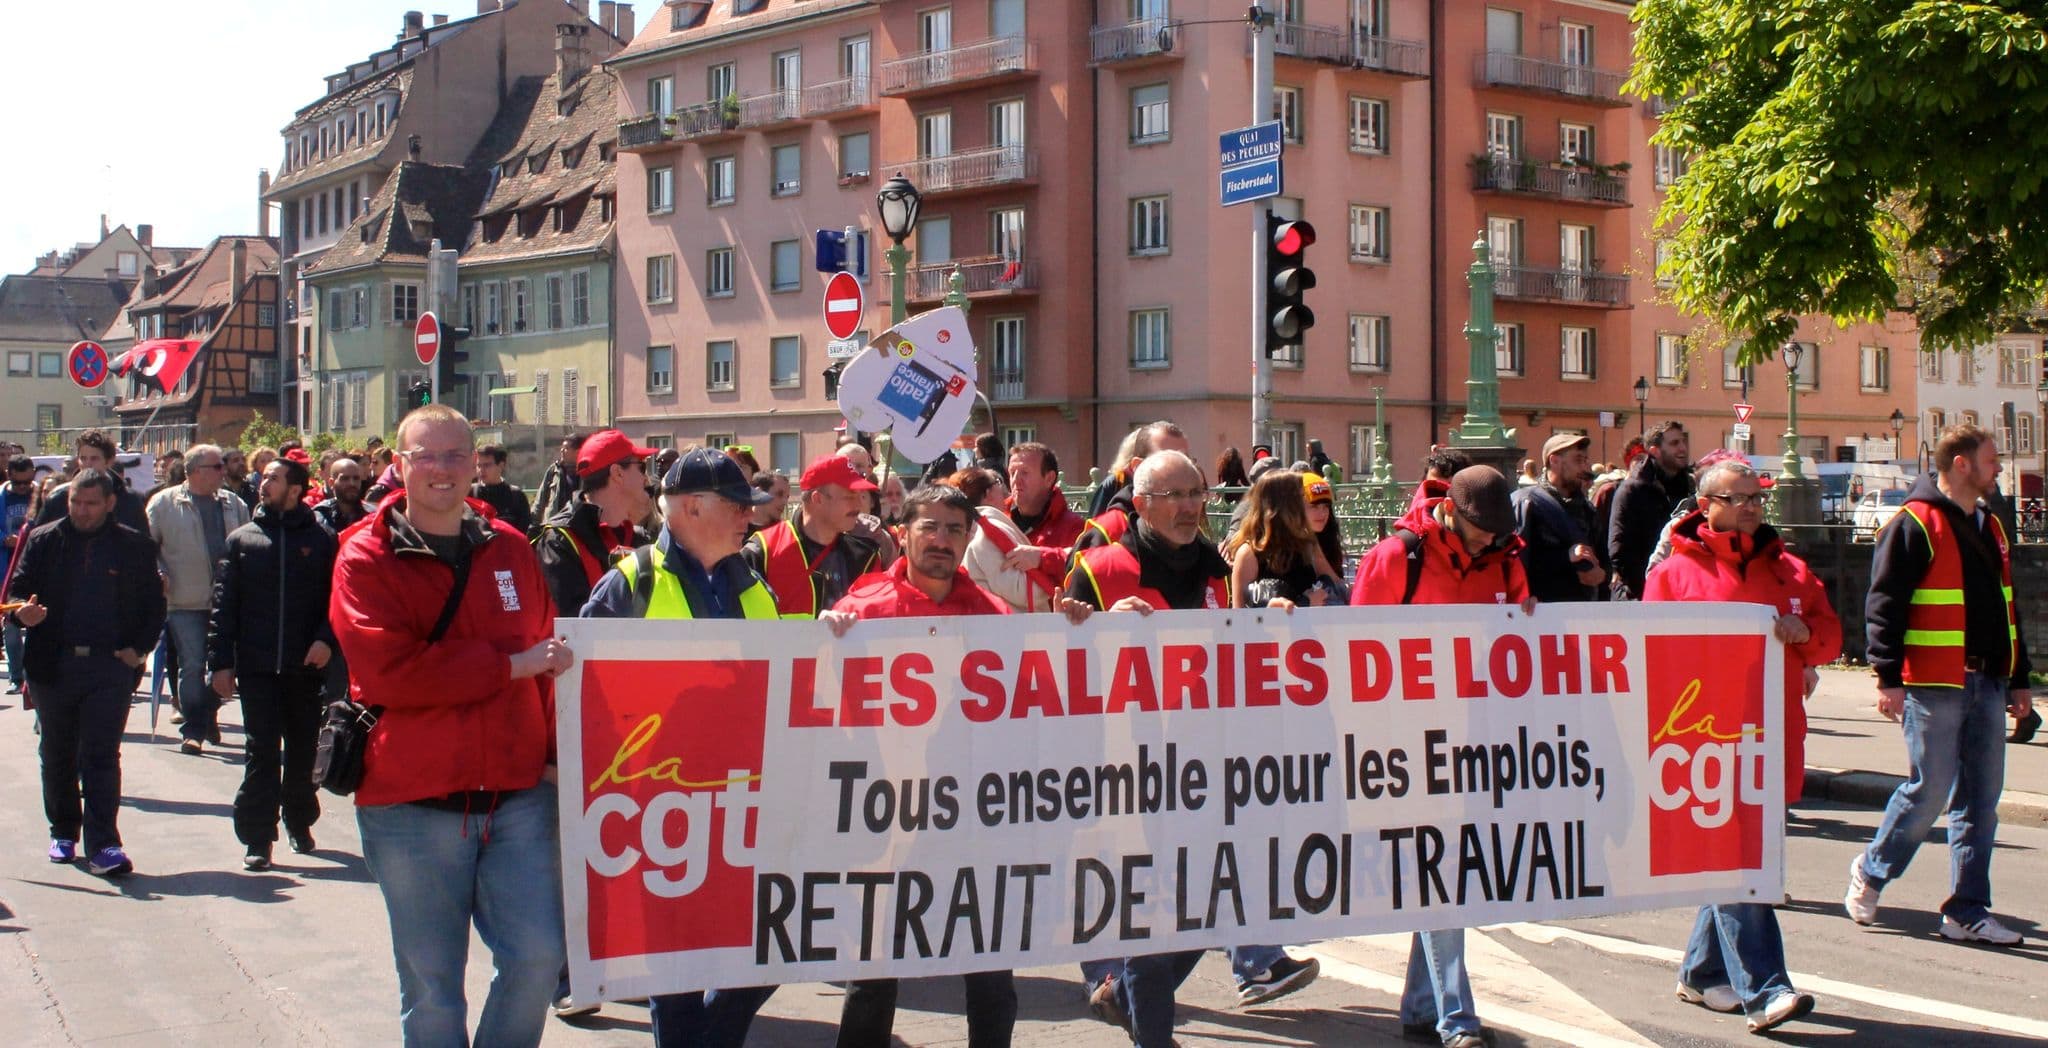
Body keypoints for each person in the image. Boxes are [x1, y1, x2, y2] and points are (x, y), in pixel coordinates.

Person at [330, 403, 575, 1048]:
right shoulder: (364, 556)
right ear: (400, 466)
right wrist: (508, 667)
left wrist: (553, 752)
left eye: (454, 455)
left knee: (537, 959)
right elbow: (391, 673)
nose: (442, 470)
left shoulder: (512, 549)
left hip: (517, 793)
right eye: (426, 456)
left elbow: (548, 656)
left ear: (476, 463)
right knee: (434, 989)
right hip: (412, 802)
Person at [581, 447, 830, 1047]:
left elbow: (781, 678)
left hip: (745, 803)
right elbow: (587, 696)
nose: (751, 516)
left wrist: (832, 636)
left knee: (767, 950)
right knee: (676, 971)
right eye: (737, 505)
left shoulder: (753, 584)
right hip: (662, 808)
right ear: (691, 507)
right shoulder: (631, 583)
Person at [829, 482, 1056, 1048]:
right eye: (929, 527)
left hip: (973, 815)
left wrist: (1074, 631)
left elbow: (1040, 700)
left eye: (955, 530)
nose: (942, 540)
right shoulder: (861, 610)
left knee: (989, 963)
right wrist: (825, 642)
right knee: (876, 963)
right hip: (887, 812)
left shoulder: (996, 616)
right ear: (903, 532)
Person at [1647, 459, 1836, 1034]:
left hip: (1772, 737)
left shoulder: (1790, 570)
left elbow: (1830, 635)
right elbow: (1650, 654)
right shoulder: (1676, 576)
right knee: (1741, 864)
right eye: (1741, 497)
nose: (1754, 505)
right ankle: (1766, 989)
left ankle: (1701, 974)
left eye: (1758, 496)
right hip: (1706, 746)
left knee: (1739, 862)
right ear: (1708, 507)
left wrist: (1807, 637)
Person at [1353, 466, 1530, 1048]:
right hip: (1409, 742)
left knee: (1443, 875)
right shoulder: (1395, 557)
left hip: (1477, 739)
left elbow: (1521, 632)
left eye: (1497, 533)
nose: (1490, 541)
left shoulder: (1505, 557)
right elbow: (1356, 649)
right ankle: (1456, 1017)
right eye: (1482, 531)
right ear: (1450, 512)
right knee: (1443, 873)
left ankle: (1422, 1007)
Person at [1847, 423, 2032, 946]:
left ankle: (1966, 909)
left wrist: (2018, 679)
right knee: (1928, 790)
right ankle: (1872, 869)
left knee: (1980, 801)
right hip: (1932, 680)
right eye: (1992, 459)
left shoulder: (1991, 526)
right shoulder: (1914, 522)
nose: (1999, 467)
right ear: (1962, 465)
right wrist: (1887, 677)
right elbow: (1883, 605)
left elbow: (2007, 608)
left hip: (1988, 679)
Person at [6, 469, 166, 878]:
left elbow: (154, 605)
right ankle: (63, 830)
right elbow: (15, 592)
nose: (82, 510)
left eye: (91, 503)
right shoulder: (44, 540)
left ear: (110, 503)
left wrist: (139, 649)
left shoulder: (133, 546)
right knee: (57, 753)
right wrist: (24, 613)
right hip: (51, 664)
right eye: (76, 502)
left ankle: (104, 844)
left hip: (108, 665)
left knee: (100, 754)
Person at [208, 456, 337, 871]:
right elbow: (223, 606)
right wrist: (221, 662)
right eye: (264, 478)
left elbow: (336, 600)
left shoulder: (321, 540)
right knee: (260, 752)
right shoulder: (243, 539)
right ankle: (258, 838)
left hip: (305, 667)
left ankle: (300, 821)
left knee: (301, 753)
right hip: (258, 667)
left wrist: (325, 639)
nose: (265, 484)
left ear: (296, 488)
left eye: (274, 479)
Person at [147, 443, 251, 755]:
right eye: (216, 466)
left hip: (227, 601)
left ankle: (206, 716)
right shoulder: (164, 503)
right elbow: (146, 547)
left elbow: (247, 543)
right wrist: (158, 570)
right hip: (185, 599)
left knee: (226, 664)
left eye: (223, 465)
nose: (224, 471)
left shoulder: (234, 504)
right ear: (194, 471)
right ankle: (194, 726)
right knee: (192, 664)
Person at [534, 430, 655, 620]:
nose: (646, 478)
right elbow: (574, 626)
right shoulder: (558, 540)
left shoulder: (638, 536)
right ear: (617, 474)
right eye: (641, 467)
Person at [744, 454, 881, 617]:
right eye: (850, 496)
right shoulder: (763, 550)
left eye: (860, 496)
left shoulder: (866, 558)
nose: (858, 504)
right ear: (818, 499)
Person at [1513, 433, 1609, 603]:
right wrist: (1566, 558)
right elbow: (1516, 563)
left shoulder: (1587, 509)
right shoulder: (1527, 503)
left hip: (1583, 617)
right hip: (1540, 616)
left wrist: (1601, 574)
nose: (1585, 467)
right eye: (1578, 460)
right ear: (1554, 461)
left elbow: (1604, 559)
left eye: (1586, 460)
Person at [1224, 470, 1340, 609]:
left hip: (1312, 629)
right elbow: (1240, 619)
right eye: (1301, 499)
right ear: (1283, 507)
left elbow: (1338, 585)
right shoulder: (1249, 554)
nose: (1305, 505)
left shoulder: (1308, 544)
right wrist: (1304, 604)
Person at [1607, 421, 1693, 600]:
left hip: (1682, 594)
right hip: (1641, 596)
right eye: (1674, 443)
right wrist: (1649, 589)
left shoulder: (1690, 488)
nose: (1683, 448)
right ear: (1654, 451)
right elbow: (1618, 549)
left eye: (1683, 441)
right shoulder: (1632, 490)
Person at [952, 466, 1047, 613]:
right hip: (1016, 630)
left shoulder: (977, 529)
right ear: (988, 493)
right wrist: (1057, 571)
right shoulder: (988, 535)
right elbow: (1021, 590)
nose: (1003, 488)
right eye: (997, 482)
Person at [34, 429, 149, 533]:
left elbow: (142, 545)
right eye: (83, 458)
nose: (87, 464)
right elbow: (39, 540)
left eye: (94, 459)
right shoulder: (57, 497)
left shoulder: (130, 500)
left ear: (109, 461)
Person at [1087, 421, 1190, 519]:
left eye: (1185, 460)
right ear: (1137, 465)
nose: (1178, 468)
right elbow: (1096, 528)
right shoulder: (1116, 483)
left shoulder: (1192, 502)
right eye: (1165, 459)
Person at [1007, 441, 1086, 550]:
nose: (1015, 480)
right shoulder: (997, 519)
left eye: (1024, 472)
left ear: (1049, 479)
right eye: (1012, 473)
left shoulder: (1073, 529)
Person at [3, 454, 37, 694]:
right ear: (9, 476)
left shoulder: (42, 495)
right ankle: (16, 676)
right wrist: (5, 539)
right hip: (7, 570)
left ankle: (35, 677)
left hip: (35, 570)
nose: (23, 487)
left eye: (28, 482)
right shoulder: (1, 497)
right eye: (18, 483)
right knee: (12, 627)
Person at [530, 433, 588, 532]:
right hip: (553, 528)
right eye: (562, 448)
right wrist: (533, 525)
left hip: (579, 529)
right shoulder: (554, 471)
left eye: (566, 448)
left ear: (578, 452)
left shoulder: (587, 474)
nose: (561, 451)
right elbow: (540, 500)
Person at [471, 443, 533, 534]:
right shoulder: (469, 493)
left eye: (487, 465)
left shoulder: (516, 496)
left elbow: (524, 532)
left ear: (501, 465)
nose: (481, 470)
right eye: (479, 466)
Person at [314, 457, 371, 535]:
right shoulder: (319, 517)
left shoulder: (372, 514)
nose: (352, 483)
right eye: (345, 479)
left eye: (356, 478)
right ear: (331, 483)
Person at [1408, 448, 1473, 513]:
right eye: (1432, 491)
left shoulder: (1474, 518)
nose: (1438, 501)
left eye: (1446, 491)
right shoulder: (1411, 520)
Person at [748, 470, 791, 537]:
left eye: (787, 497)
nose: (785, 502)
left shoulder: (785, 534)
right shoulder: (735, 529)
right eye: (779, 494)